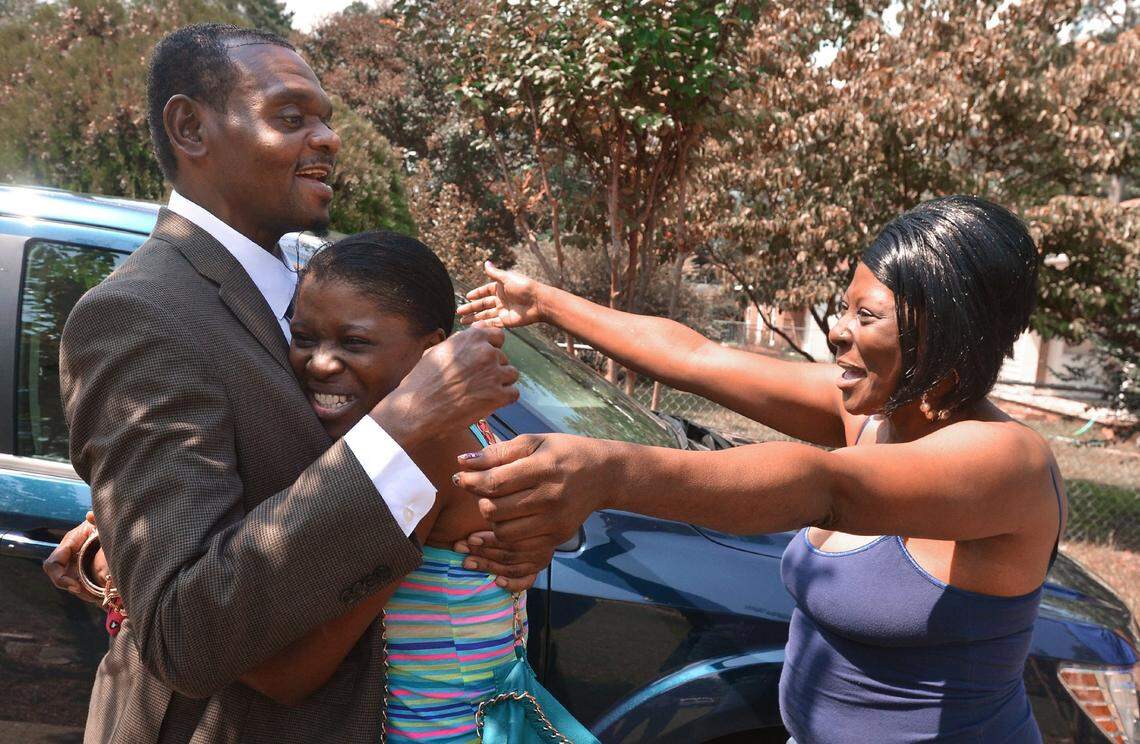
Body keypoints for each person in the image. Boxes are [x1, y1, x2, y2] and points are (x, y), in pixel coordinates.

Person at [49, 24, 523, 743]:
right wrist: (399, 427)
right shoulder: (138, 313)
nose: (329, 138)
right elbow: (185, 632)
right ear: (191, 128)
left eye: (325, 119)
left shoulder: (310, 278)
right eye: (291, 116)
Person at [455, 195, 1065, 743]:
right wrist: (545, 302)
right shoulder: (876, 416)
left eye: (866, 316)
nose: (837, 331)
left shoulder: (1009, 463)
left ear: (943, 334)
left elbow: (824, 487)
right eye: (844, 308)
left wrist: (608, 472)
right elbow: (697, 358)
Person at [56, 232, 532, 741]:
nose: (320, 363)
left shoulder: (424, 448)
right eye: (304, 338)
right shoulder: (447, 429)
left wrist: (134, 574)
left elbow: (286, 673)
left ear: (433, 351)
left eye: (354, 343)